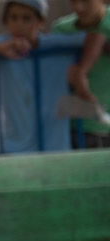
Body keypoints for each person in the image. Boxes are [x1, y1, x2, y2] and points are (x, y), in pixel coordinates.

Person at [0, 0, 86, 153]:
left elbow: (94, 39)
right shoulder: (2, 44)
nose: (19, 24)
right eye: (13, 18)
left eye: (26, 18)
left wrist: (81, 70)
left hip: (55, 145)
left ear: (40, 22)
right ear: (5, 21)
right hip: (16, 146)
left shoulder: (55, 45)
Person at [53, 0, 110, 146]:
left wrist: (81, 70)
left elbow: (99, 29)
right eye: (73, 1)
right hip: (74, 129)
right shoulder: (62, 29)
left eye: (86, 0)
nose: (78, 7)